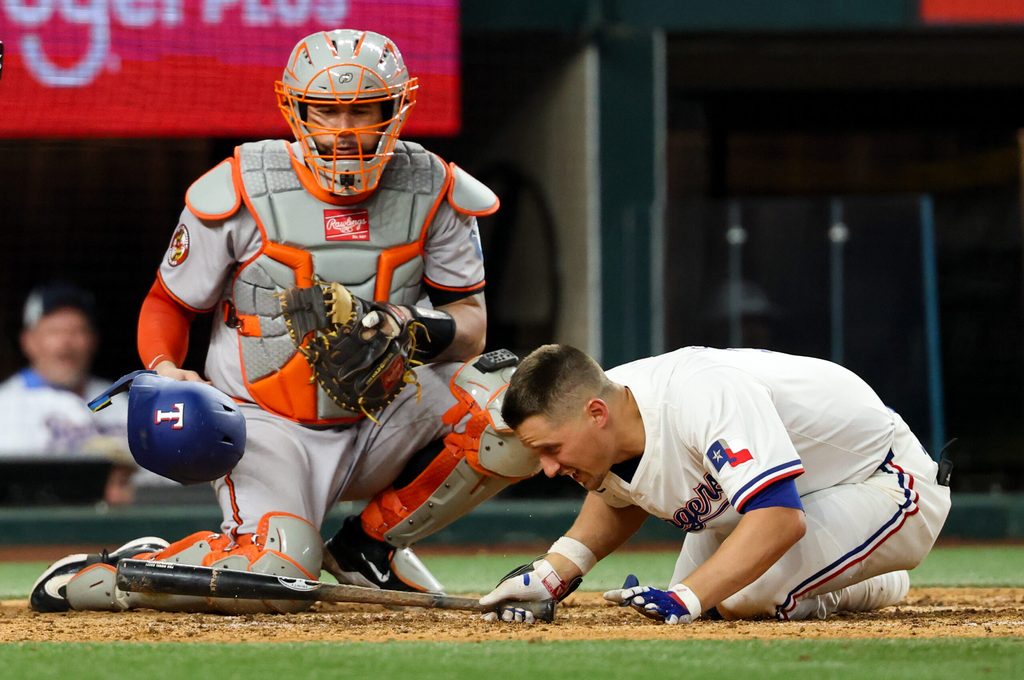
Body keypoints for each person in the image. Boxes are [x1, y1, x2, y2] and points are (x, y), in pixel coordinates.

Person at [30, 30, 539, 614]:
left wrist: (406, 326)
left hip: (382, 415)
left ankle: (368, 547)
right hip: (263, 422)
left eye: (362, 109)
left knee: (515, 404)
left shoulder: (436, 188)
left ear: (397, 107)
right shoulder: (243, 185)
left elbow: (471, 326)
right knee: (277, 577)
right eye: (327, 109)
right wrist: (168, 369)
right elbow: (168, 302)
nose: (345, 130)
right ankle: (116, 571)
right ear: (296, 108)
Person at [479, 344, 951, 624]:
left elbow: (779, 517)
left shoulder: (700, 394)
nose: (547, 468)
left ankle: (878, 580)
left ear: (595, 415)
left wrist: (685, 596)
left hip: (885, 478)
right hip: (793, 495)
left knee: (740, 596)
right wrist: (551, 575)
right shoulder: (609, 406)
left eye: (551, 449)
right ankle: (841, 565)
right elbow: (621, 496)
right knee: (707, 598)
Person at [0, 283, 136, 505]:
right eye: (54, 332)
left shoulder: (117, 401)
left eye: (77, 331)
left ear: (93, 340)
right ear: (28, 341)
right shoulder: (6, 406)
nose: (66, 343)